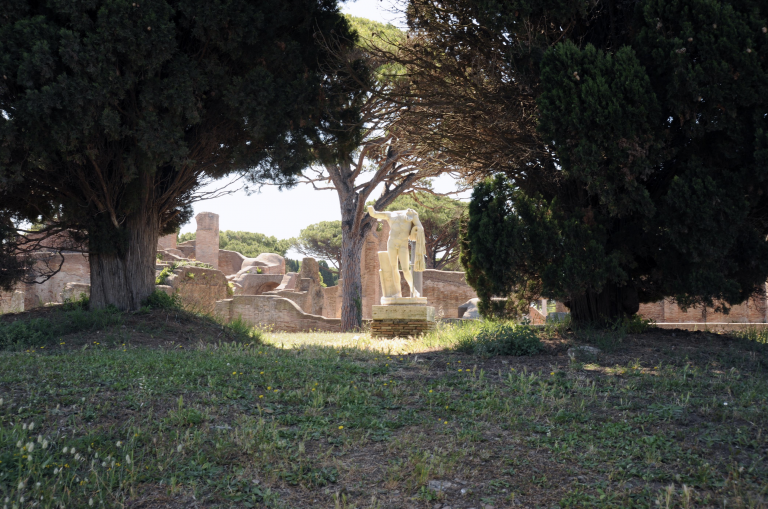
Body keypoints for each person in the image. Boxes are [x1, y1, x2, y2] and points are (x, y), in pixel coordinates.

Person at [367, 205, 426, 298]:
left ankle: (414, 290)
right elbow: (374, 214)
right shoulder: (390, 215)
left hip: (403, 244)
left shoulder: (412, 214)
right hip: (391, 243)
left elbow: (420, 227)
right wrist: (370, 208)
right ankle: (398, 293)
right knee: (394, 268)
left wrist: (416, 230)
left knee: (406, 270)